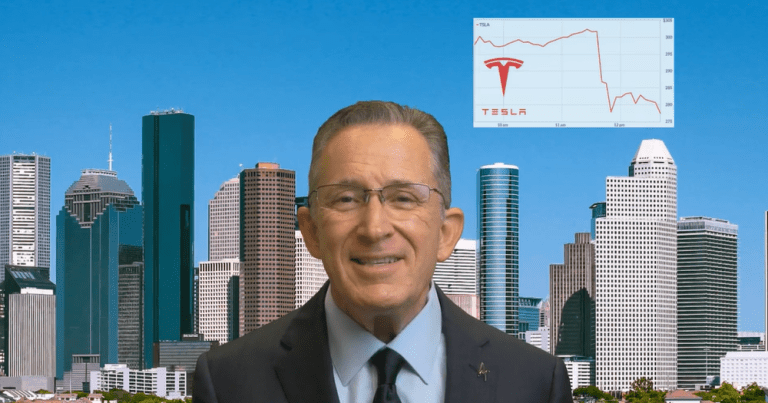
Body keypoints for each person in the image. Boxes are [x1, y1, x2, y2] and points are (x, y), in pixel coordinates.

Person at [193, 101, 573, 403]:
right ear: (310, 232)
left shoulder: (535, 383)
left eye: (404, 198)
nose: (374, 228)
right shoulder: (229, 382)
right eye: (345, 198)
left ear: (446, 233)